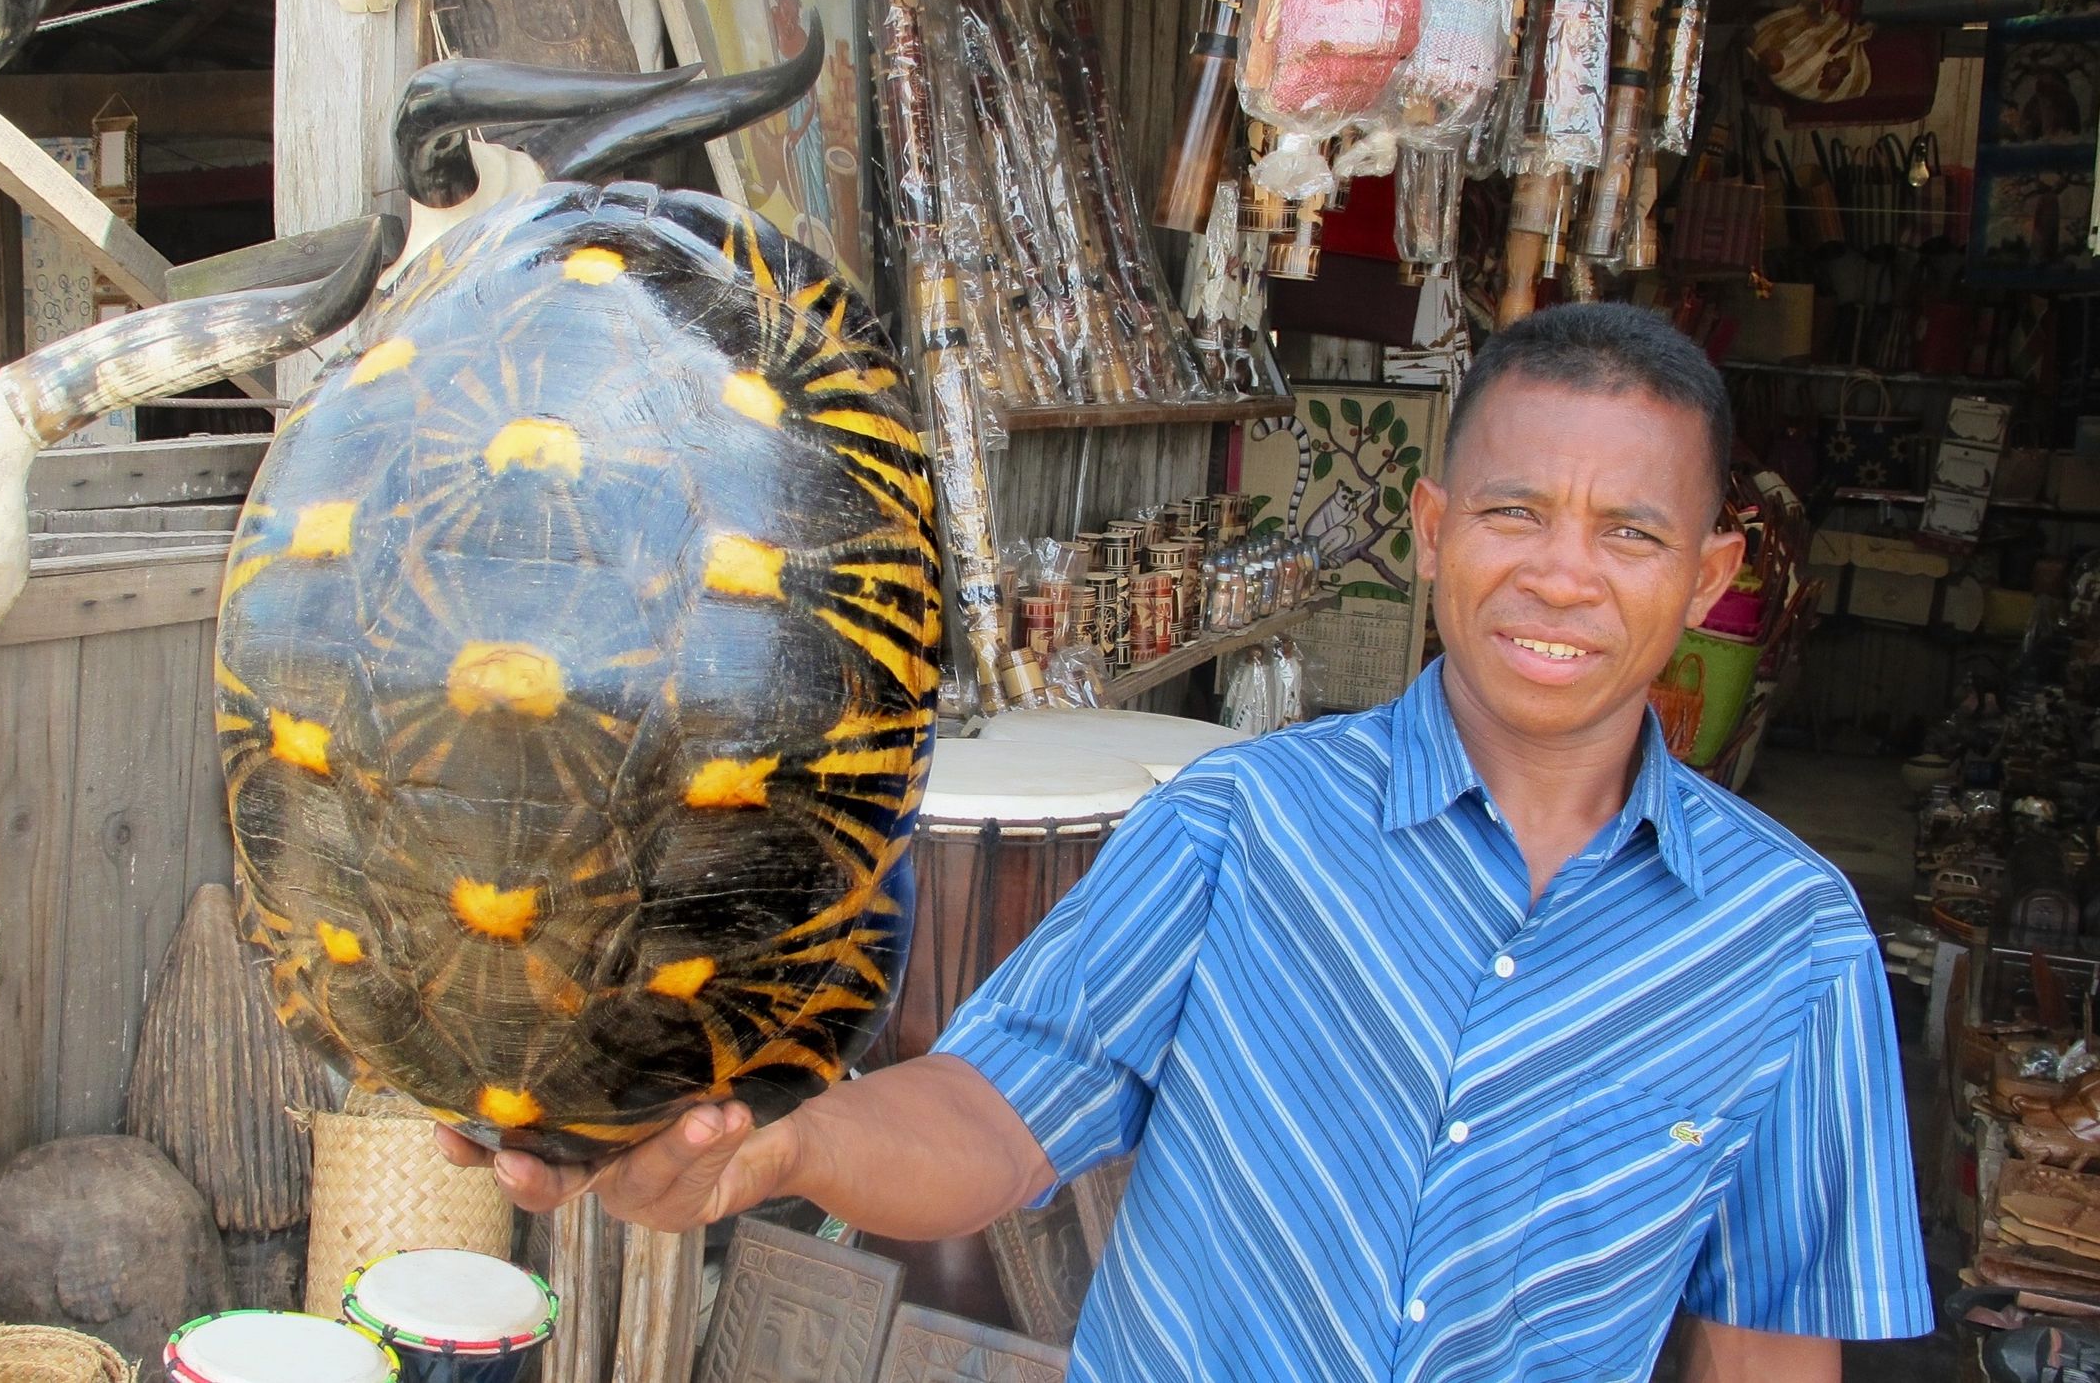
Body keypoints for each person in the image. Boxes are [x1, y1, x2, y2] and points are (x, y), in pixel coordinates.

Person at [436, 303, 1933, 1381]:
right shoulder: (1241, 823)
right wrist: (771, 1148)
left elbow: (1767, 1339)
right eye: (1514, 512)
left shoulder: (1789, 944)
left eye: (1631, 534)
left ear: (1711, 573)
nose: (1560, 576)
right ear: (1427, 528)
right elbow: (998, 1118)